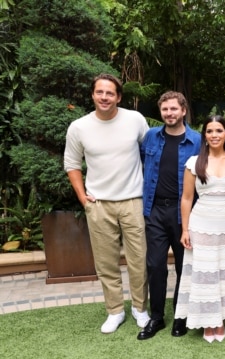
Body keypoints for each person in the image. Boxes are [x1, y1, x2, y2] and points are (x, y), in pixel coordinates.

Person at [64, 73, 150, 334]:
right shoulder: (79, 127)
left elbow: (150, 152)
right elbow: (71, 164)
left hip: (133, 200)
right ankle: (115, 311)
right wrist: (82, 197)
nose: (104, 97)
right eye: (100, 92)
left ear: (118, 97)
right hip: (98, 203)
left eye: (110, 93)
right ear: (92, 95)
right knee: (106, 262)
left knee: (139, 259)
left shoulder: (135, 120)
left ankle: (140, 308)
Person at [175, 115, 225, 343]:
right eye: (210, 131)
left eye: (219, 130)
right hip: (201, 224)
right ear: (205, 136)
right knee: (205, 273)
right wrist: (185, 230)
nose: (214, 135)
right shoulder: (193, 162)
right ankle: (210, 322)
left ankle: (224, 318)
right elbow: (187, 199)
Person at [138, 91, 201, 340]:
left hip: (184, 212)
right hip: (155, 210)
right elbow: (143, 162)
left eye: (174, 109)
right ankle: (156, 318)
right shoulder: (151, 137)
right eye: (165, 110)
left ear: (183, 110)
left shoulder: (196, 140)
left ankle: (180, 316)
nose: (169, 113)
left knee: (184, 266)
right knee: (155, 265)